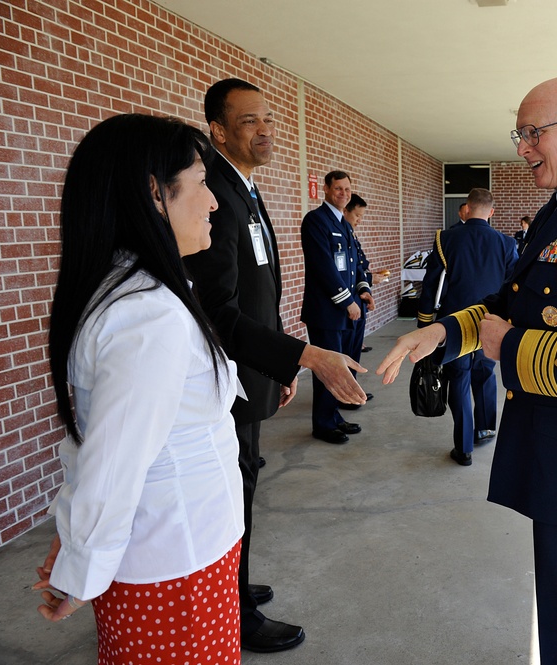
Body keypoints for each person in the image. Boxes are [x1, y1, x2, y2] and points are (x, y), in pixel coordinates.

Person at [378, 75, 557, 664]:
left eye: (535, 133)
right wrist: (440, 331)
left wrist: (508, 349)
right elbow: (508, 304)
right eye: (521, 133)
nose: (523, 148)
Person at [34, 114, 244, 664]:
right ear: (155, 192)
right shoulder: (146, 313)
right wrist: (81, 566)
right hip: (177, 563)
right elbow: (114, 457)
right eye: (201, 181)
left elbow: (98, 437)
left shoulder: (133, 292)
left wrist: (76, 538)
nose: (214, 202)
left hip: (179, 550)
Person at [184, 78, 366, 654]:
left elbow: (260, 291)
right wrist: (299, 356)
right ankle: (232, 610)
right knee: (234, 491)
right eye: (249, 121)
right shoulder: (215, 192)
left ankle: (236, 584)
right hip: (231, 378)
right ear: (217, 130)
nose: (266, 130)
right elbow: (220, 310)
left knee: (247, 480)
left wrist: (280, 362)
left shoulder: (245, 190)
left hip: (257, 368)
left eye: (269, 119)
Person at [416, 187, 518, 466]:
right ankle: (484, 430)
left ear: (467, 208)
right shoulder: (507, 244)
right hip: (491, 323)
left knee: (458, 381)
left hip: (455, 326)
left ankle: (463, 449)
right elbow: (513, 290)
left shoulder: (445, 239)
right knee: (485, 375)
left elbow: (432, 286)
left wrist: (424, 324)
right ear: (491, 212)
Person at [300, 171, 375, 443]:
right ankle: (322, 424)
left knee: (341, 368)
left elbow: (355, 265)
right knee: (327, 370)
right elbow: (324, 268)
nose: (343, 193)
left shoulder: (343, 223)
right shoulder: (316, 221)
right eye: (338, 188)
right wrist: (347, 302)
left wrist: (363, 292)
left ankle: (334, 417)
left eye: (347, 189)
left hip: (347, 311)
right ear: (326, 190)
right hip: (327, 312)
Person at [340, 194, 375, 406]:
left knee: (354, 349)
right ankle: (346, 394)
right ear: (345, 211)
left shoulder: (350, 233)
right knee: (345, 351)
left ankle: (353, 388)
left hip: (358, 297)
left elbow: (360, 265)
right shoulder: (339, 232)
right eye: (357, 215)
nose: (359, 219)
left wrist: (365, 287)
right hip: (346, 301)